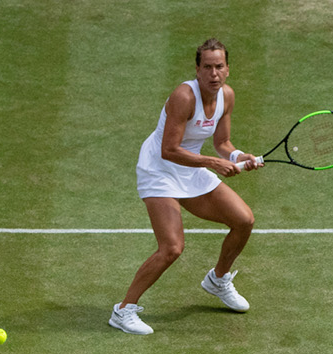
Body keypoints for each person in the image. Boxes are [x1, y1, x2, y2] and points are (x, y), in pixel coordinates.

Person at [111, 37, 261, 336]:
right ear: (197, 69)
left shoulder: (227, 96)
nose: (214, 74)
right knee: (172, 247)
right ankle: (123, 310)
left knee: (244, 220)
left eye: (219, 67)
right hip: (159, 170)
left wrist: (237, 156)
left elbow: (222, 142)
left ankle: (217, 280)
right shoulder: (184, 96)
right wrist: (213, 163)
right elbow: (169, 150)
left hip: (191, 167)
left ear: (227, 69)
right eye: (207, 67)